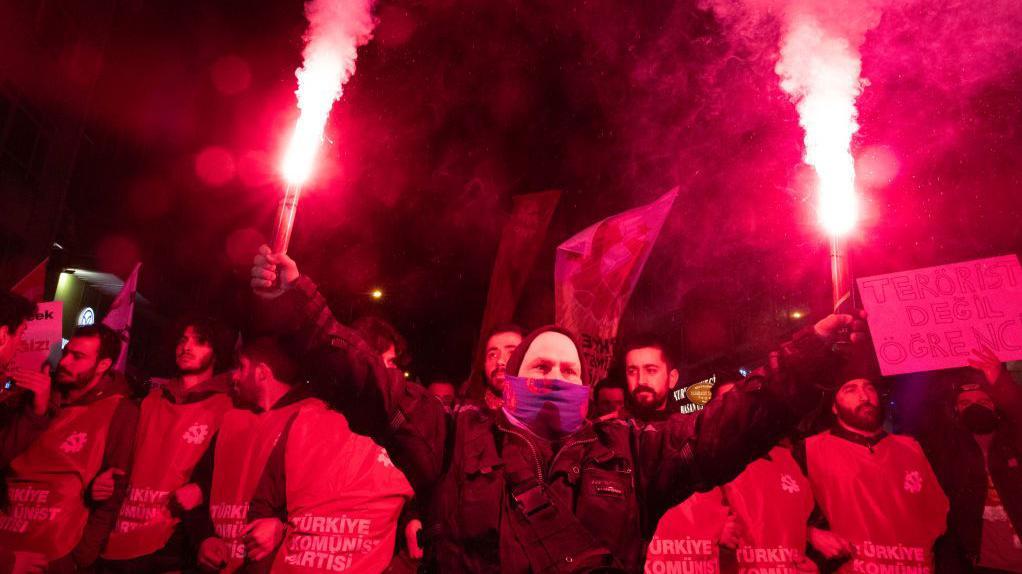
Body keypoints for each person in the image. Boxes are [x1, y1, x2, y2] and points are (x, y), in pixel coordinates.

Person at [249, 245, 865, 572]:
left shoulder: (629, 453)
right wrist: (297, 305)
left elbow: (734, 423)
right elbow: (364, 382)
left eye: (569, 371)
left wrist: (812, 354)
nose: (557, 377)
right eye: (541, 368)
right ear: (511, 382)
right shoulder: (452, 438)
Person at [240, 339, 414, 573]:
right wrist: (278, 530)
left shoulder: (402, 433)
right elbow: (264, 507)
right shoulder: (306, 421)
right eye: (388, 362)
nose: (393, 372)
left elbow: (422, 519)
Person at [0, 324, 139, 573]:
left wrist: (80, 556)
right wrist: (36, 411)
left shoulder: (119, 410)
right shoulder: (39, 394)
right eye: (66, 352)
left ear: (103, 364)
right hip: (8, 540)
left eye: (79, 357)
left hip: (57, 553)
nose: (65, 362)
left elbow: (114, 488)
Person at [101, 318, 236, 572]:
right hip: (122, 537)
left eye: (200, 342)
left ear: (216, 353)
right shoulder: (151, 401)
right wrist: (104, 476)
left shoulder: (227, 407)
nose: (187, 347)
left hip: (175, 544)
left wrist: (203, 488)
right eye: (183, 340)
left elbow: (232, 471)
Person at [799, 367, 949, 573]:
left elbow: (937, 510)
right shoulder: (810, 450)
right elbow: (776, 511)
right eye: (850, 390)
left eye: (869, 388)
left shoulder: (911, 446)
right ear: (834, 407)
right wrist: (810, 534)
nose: (864, 396)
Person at [197, 336, 323, 573]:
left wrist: (282, 526)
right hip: (221, 562)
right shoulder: (231, 421)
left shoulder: (310, 417)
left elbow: (322, 500)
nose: (233, 376)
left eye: (241, 367)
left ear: (262, 373)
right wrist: (204, 538)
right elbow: (201, 487)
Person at [916, 347, 1022, 574]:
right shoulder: (948, 449)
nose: (975, 407)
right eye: (965, 404)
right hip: (981, 563)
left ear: (995, 405)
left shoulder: (1014, 439)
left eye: (982, 401)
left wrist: (998, 379)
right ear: (955, 411)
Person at [715, 381, 817, 573]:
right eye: (725, 402)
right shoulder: (706, 464)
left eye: (742, 399)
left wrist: (814, 550)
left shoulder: (789, 457)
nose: (735, 408)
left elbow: (810, 521)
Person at [463, 323, 524, 410]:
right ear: (484, 364)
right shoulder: (466, 415)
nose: (500, 361)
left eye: (512, 353)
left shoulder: (543, 414)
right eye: (493, 355)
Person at [621, 335, 680, 422]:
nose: (640, 381)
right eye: (632, 372)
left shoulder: (687, 431)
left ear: (672, 378)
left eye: (651, 370)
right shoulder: (609, 429)